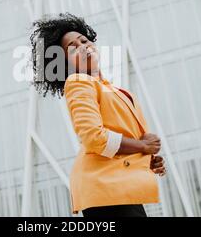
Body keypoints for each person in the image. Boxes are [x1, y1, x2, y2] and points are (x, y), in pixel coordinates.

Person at [29, 12, 166, 217]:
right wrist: (142, 146)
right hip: (103, 187)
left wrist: (145, 156)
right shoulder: (78, 82)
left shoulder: (114, 90)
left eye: (84, 40)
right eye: (73, 47)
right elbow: (94, 137)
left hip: (121, 186)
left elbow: (124, 136)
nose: (83, 46)